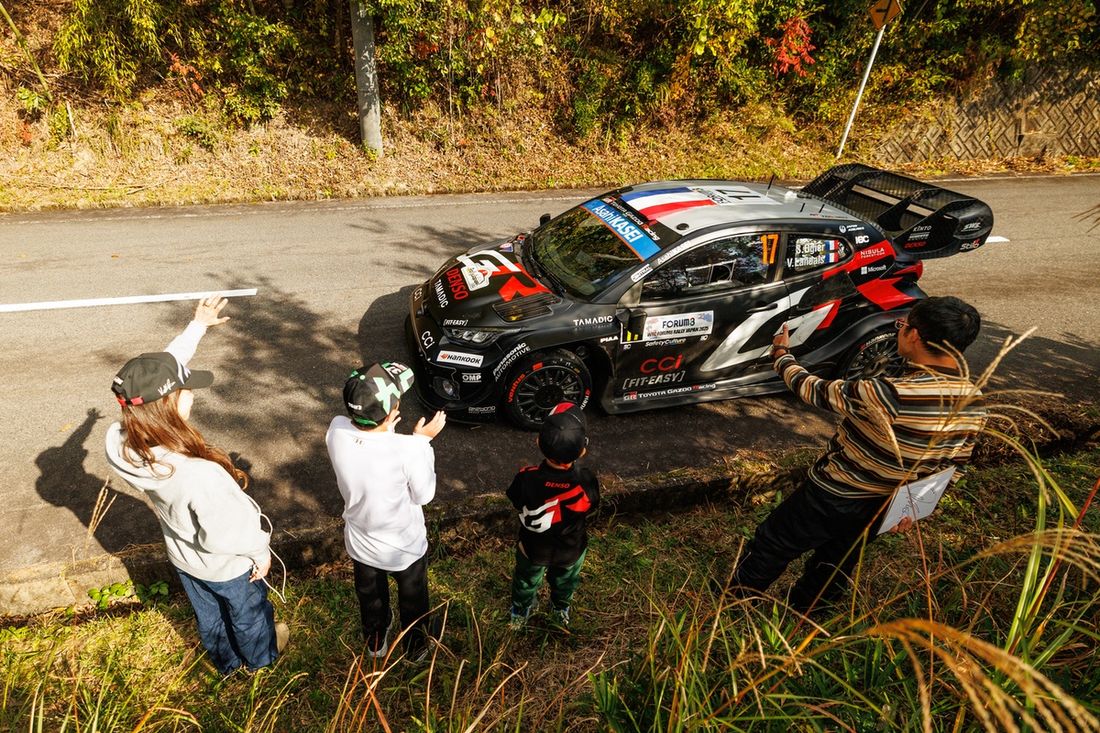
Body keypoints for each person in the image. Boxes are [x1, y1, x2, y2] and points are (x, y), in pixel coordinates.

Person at [724, 296, 988, 613]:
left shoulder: (888, 393)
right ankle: (808, 614)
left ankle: (734, 605)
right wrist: (913, 508)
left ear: (914, 336)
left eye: (902, 325)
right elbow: (954, 466)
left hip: (833, 494)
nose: (899, 330)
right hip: (883, 507)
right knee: (837, 562)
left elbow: (812, 389)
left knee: (774, 543)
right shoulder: (974, 401)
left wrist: (781, 354)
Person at [105, 297, 287, 676]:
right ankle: (260, 662)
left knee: (209, 616)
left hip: (184, 558)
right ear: (170, 405)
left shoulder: (120, 444)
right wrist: (260, 552)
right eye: (186, 389)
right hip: (226, 565)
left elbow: (160, 373)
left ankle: (227, 665)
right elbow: (229, 532)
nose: (192, 393)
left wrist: (197, 326)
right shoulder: (198, 474)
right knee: (248, 613)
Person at [325, 363, 446, 659]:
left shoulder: (336, 430)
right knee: (413, 601)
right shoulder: (408, 449)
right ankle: (415, 649)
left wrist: (392, 430)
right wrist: (423, 441)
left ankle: (376, 642)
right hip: (405, 549)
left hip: (361, 544)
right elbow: (424, 495)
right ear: (392, 412)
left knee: (371, 598)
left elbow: (370, 445)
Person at [507, 402, 600, 629]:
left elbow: (515, 499)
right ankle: (560, 609)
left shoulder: (526, 477)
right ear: (582, 451)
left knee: (526, 580)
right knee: (565, 581)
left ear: (538, 441)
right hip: (570, 548)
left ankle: (520, 612)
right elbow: (592, 505)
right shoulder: (586, 480)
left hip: (532, 546)